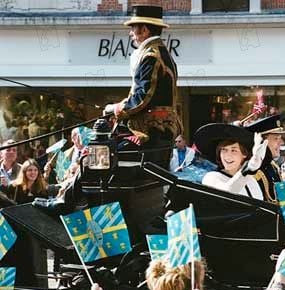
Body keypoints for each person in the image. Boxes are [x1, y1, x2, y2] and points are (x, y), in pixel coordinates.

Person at [103, 5, 182, 167]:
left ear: (144, 30)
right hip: (161, 131)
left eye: (133, 29)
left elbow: (142, 97)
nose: (130, 33)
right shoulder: (161, 53)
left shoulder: (151, 56)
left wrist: (115, 108)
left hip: (151, 131)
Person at [194, 123, 265, 200]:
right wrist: (249, 168)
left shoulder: (251, 180)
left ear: (244, 154)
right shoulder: (211, 178)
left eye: (234, 150)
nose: (228, 156)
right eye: (224, 150)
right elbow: (226, 194)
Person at [245, 115, 285, 203]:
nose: (282, 143)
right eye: (276, 139)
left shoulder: (272, 166)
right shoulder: (253, 172)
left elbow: (284, 201)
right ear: (261, 142)